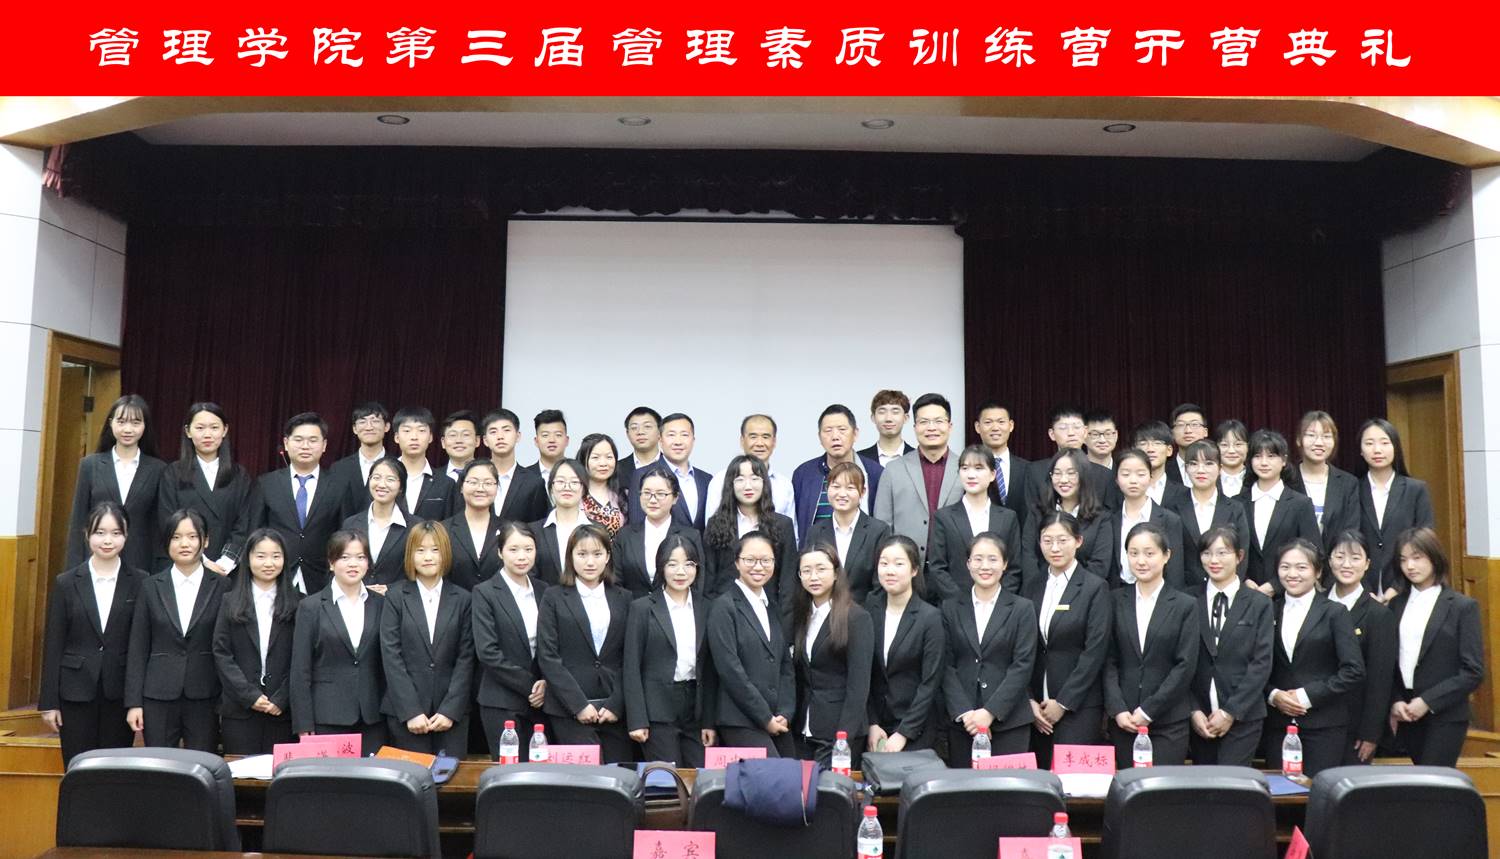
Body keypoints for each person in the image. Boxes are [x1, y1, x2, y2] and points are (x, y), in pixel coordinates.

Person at [39, 502, 148, 765]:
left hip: (119, 692)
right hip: (74, 691)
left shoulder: (141, 581)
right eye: (100, 532)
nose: (107, 540)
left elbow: (140, 645)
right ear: (87, 534)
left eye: (116, 533)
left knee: (113, 768)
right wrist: (49, 702)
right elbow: (54, 643)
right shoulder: (66, 582)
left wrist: (136, 701)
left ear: (126, 536)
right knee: (78, 767)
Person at [125, 509, 228, 751]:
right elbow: (138, 647)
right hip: (158, 694)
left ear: (205, 541)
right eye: (176, 537)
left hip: (205, 694)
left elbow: (227, 645)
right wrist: (134, 703)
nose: (184, 544)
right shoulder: (150, 586)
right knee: (159, 765)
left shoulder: (222, 586)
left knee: (202, 764)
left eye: (192, 536)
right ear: (167, 542)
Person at [1263, 539, 1365, 777]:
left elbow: (1353, 670)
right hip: (1277, 724)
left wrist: (1306, 696)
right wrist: (1273, 695)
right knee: (1281, 793)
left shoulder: (1335, 612)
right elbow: (1255, 664)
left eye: (1301, 567)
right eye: (1285, 567)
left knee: (1319, 792)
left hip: (1324, 725)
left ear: (1318, 571)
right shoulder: (1267, 609)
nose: (1292, 574)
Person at [1103, 522, 1198, 767]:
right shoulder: (1115, 600)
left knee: (1164, 789)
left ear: (1166, 556)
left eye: (1149, 553)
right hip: (1124, 720)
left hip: (1168, 721)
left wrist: (1149, 711)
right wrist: (1117, 708)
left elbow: (1185, 665)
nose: (1141, 561)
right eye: (1133, 553)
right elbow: (1108, 659)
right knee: (1127, 788)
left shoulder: (1185, 605)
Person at [537, 522, 634, 762]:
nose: (590, 562)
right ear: (570, 557)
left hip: (613, 709)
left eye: (597, 554)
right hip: (568, 709)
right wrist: (578, 705)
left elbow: (630, 657)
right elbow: (548, 656)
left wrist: (617, 704)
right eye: (582, 554)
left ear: (607, 557)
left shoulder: (624, 598)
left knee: (619, 776)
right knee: (583, 779)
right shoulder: (553, 596)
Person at [1387, 528, 1483, 767]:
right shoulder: (1395, 605)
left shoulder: (1462, 607)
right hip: (1407, 712)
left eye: (1417, 557)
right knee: (1420, 781)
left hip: (1445, 713)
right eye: (1403, 559)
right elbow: (1388, 662)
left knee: (1435, 781)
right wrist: (1396, 700)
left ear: (1434, 557)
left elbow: (1473, 671)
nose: (1410, 566)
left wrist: (1427, 702)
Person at [1023, 512, 1112, 766]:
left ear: (1078, 541)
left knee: (1075, 783)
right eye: (1047, 540)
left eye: (1062, 540)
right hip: (1037, 709)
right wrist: (1029, 700)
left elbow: (1095, 651)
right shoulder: (1033, 585)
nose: (1055, 548)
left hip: (1079, 707)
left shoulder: (1094, 587)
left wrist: (1063, 703)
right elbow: (1024, 647)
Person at [380, 521, 475, 755]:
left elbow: (466, 658)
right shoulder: (396, 596)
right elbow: (391, 655)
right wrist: (411, 711)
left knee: (451, 775)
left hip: (451, 714)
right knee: (408, 776)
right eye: (420, 550)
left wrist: (450, 710)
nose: (428, 557)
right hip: (405, 713)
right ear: (410, 555)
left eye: (435, 549)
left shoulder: (463, 599)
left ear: (446, 553)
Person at [940, 532, 1036, 764]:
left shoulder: (1022, 608)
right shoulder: (950, 608)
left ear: (1005, 564)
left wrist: (990, 712)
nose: (985, 566)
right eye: (978, 559)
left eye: (993, 559)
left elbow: (1022, 665)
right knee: (964, 786)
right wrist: (966, 714)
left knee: (1007, 786)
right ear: (968, 564)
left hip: (1009, 722)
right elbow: (945, 664)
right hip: (964, 723)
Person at [289, 530, 387, 755]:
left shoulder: (380, 604)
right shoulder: (311, 607)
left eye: (360, 557)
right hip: (327, 715)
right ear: (331, 563)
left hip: (372, 716)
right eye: (345, 557)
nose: (353, 564)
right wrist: (303, 723)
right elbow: (300, 669)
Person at [624, 535, 717, 766]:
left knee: (700, 776)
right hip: (657, 710)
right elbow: (631, 666)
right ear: (661, 567)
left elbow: (710, 668)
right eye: (672, 564)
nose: (681, 572)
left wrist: (709, 721)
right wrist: (637, 720)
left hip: (695, 708)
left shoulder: (707, 607)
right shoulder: (642, 608)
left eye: (688, 564)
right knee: (667, 778)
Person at [1187, 527, 1274, 767]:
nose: (1213, 560)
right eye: (1207, 553)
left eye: (1222, 553)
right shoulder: (1187, 600)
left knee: (1233, 784)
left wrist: (1230, 712)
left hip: (1243, 716)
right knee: (1201, 787)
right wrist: (1193, 710)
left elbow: (1261, 662)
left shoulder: (1259, 603)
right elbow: (1180, 660)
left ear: (1239, 556)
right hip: (1200, 717)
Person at [706, 531, 797, 756]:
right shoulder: (723, 606)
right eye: (750, 560)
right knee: (772, 774)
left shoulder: (771, 606)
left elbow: (785, 665)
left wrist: (785, 711)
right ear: (737, 562)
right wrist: (764, 717)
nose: (758, 567)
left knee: (793, 773)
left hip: (777, 718)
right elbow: (730, 669)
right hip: (740, 719)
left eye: (766, 560)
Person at [212, 528, 300, 754]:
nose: (268, 563)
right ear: (248, 559)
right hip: (239, 710)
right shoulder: (229, 601)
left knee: (281, 773)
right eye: (261, 556)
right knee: (242, 771)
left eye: (276, 556)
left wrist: (282, 698)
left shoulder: (299, 604)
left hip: (282, 712)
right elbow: (222, 653)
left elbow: (302, 658)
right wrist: (249, 695)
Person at [471, 521, 550, 760]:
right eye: (513, 549)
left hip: (542, 701)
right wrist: (531, 686)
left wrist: (546, 683)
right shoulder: (485, 592)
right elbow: (488, 652)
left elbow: (552, 645)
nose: (521, 556)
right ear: (500, 552)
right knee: (509, 773)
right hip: (501, 700)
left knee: (540, 772)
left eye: (528, 549)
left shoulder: (544, 590)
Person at [789, 544, 873, 766]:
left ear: (836, 573)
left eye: (821, 569)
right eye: (806, 571)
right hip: (803, 729)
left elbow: (858, 686)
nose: (813, 577)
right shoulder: (800, 616)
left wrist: (843, 738)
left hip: (838, 732)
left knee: (829, 788)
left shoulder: (856, 618)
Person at [252, 412, 352, 595]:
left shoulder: (339, 485)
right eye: (298, 440)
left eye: (313, 440)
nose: (305, 446)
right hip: (276, 576)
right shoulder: (267, 483)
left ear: (324, 445)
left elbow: (345, 534)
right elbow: (256, 531)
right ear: (286, 443)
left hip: (322, 578)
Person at [66, 394, 165, 575]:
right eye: (121, 422)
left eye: (135, 423)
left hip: (140, 563)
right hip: (96, 560)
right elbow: (78, 519)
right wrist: (74, 570)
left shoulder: (158, 469)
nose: (128, 429)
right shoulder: (90, 465)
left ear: (145, 426)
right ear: (111, 423)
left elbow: (158, 525)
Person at [866, 535, 945, 754]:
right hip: (875, 728)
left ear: (914, 570)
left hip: (916, 729)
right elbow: (863, 673)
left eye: (899, 564)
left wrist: (904, 732)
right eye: (884, 563)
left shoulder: (930, 617)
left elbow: (930, 682)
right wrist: (872, 722)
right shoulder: (869, 609)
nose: (890, 571)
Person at [1325, 529, 1397, 765]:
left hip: (1354, 727)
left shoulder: (1378, 615)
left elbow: (1380, 679)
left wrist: (1370, 733)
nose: (1346, 564)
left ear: (1367, 564)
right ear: (1329, 560)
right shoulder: (1316, 603)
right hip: (1314, 721)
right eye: (1339, 556)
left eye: (1355, 558)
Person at [157, 402, 253, 575]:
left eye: (214, 427)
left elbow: (244, 524)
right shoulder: (173, 473)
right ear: (188, 431)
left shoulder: (239, 475)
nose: (207, 434)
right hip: (185, 565)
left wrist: (225, 562)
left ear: (224, 430)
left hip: (228, 570)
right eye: (200, 428)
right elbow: (167, 521)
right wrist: (203, 561)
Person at [927, 445, 1023, 602]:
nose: (971, 475)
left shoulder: (1008, 517)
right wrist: (962, 602)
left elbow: (1014, 568)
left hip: (999, 606)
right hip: (955, 606)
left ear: (992, 474)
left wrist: (998, 601)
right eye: (965, 468)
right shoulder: (943, 517)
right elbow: (937, 568)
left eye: (979, 468)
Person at [874, 393, 962, 561]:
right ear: (915, 427)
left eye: (938, 421)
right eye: (924, 422)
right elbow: (882, 526)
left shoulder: (964, 469)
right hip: (906, 567)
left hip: (953, 567)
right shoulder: (893, 470)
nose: (931, 428)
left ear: (950, 426)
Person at [1356, 418, 1436, 602]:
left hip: (1407, 587)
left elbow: (1425, 541)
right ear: (1360, 450)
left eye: (1384, 443)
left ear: (1395, 447)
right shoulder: (1352, 489)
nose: (1377, 450)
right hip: (1362, 590)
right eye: (1369, 443)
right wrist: (1365, 590)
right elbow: (1350, 539)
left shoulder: (1416, 489)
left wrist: (1396, 588)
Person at [702, 455, 798, 604]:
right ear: (730, 485)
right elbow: (708, 578)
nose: (748, 486)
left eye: (754, 478)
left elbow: (788, 581)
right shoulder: (715, 524)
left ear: (764, 483)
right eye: (740, 479)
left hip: (769, 608)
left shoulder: (783, 525)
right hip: (727, 608)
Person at [1240, 429, 1321, 595]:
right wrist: (1244, 579)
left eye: (1271, 456)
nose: (1264, 462)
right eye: (1257, 456)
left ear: (1283, 460)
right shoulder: (1237, 503)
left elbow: (1313, 552)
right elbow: (1231, 548)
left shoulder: (1300, 504)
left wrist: (1276, 585)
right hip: (1245, 593)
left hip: (1289, 593)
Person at [1019, 449, 1113, 589]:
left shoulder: (1100, 518)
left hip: (1084, 594)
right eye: (1057, 473)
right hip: (1041, 591)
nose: (1063, 480)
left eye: (1071, 473)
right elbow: (1029, 557)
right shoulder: (1037, 513)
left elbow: (1100, 565)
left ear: (1084, 476)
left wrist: (1069, 591)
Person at [799, 462, 891, 604]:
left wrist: (862, 614)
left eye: (850, 488)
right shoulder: (816, 531)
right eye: (836, 487)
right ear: (827, 489)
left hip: (865, 611)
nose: (842, 494)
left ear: (862, 492)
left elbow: (880, 583)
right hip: (825, 611)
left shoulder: (878, 531)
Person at [791, 405, 883, 539]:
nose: (835, 436)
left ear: (855, 434)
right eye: (828, 431)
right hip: (815, 550)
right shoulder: (804, 474)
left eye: (842, 430)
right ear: (819, 437)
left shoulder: (875, 473)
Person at [613, 465, 705, 598]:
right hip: (631, 608)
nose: (652, 500)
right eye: (647, 493)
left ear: (675, 498)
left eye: (661, 494)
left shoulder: (691, 536)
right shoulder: (625, 536)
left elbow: (698, 583)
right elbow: (616, 582)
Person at [1168, 441, 1251, 588]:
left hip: (1225, 591)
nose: (1201, 470)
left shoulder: (1235, 508)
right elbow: (1171, 558)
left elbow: (1241, 554)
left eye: (1208, 464)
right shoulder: (1172, 507)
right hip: (1185, 592)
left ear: (1220, 468)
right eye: (1193, 464)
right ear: (1186, 469)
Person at [1109, 450, 1188, 591]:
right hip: (1118, 594)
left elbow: (1175, 572)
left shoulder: (1170, 520)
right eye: (1126, 474)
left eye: (1141, 474)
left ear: (1150, 478)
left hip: (1158, 593)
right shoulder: (1110, 520)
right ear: (1116, 479)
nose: (1133, 481)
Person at [703, 414, 798, 533]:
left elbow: (791, 534)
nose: (759, 443)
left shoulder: (784, 485)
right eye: (753, 436)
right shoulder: (720, 480)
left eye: (766, 437)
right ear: (742, 441)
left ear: (774, 442)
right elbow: (712, 530)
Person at [1027, 404, 1122, 512]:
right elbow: (1030, 513)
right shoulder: (1036, 471)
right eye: (1063, 428)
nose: (1071, 433)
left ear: (1085, 432)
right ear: (1052, 434)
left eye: (1076, 427)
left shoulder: (1104, 475)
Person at [1286, 411, 1362, 548]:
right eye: (1311, 435)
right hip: (1296, 558)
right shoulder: (1286, 480)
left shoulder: (1348, 483)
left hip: (1336, 558)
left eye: (1326, 436)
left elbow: (1351, 530)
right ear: (1298, 440)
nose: (1319, 443)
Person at [628, 413, 713, 530]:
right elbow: (637, 527)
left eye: (684, 435)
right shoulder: (642, 475)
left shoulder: (706, 479)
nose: (678, 441)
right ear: (660, 440)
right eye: (671, 435)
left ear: (693, 440)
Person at [341, 457, 409, 590]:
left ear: (401, 487)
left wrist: (391, 590)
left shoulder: (413, 526)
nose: (382, 484)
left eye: (390, 479)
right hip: (358, 598)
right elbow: (341, 565)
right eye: (376, 477)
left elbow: (417, 574)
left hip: (397, 600)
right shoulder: (350, 524)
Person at [482, 408, 551, 526]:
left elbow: (538, 527)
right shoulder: (473, 479)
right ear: (485, 440)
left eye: (506, 430)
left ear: (518, 436)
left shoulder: (533, 482)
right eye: (493, 431)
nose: (500, 436)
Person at [444, 460, 504, 590]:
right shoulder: (443, 530)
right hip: (455, 602)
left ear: (496, 487)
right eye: (473, 482)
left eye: (488, 483)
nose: (480, 489)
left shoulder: (507, 530)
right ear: (461, 487)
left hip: (498, 602)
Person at [532, 459, 592, 585]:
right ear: (551, 487)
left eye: (574, 482)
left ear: (584, 488)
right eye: (560, 481)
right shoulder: (534, 531)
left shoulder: (597, 530)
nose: (567, 487)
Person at [974, 401, 1032, 529]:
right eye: (988, 422)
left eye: (1001, 422)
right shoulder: (969, 470)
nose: (995, 428)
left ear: (1011, 426)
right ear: (978, 427)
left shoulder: (1028, 469)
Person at [330, 401, 390, 513]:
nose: (369, 427)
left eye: (375, 421)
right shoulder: (338, 469)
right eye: (362, 421)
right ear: (354, 429)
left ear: (387, 426)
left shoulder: (397, 466)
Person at [1132, 421, 1191, 510]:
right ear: (1134, 450)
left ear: (1169, 450)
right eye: (1143, 443)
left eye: (1157, 443)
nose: (1150, 449)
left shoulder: (1185, 493)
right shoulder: (1123, 490)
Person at [578, 433, 628, 535]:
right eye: (595, 457)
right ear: (583, 461)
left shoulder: (623, 495)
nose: (603, 463)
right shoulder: (574, 494)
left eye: (609, 457)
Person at [858, 389, 914, 467]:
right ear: (873, 418)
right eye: (882, 412)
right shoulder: (859, 459)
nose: (888, 418)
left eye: (895, 412)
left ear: (906, 418)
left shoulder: (918, 458)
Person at [616, 406, 664, 490]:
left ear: (660, 431)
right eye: (634, 428)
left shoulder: (674, 466)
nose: (640, 432)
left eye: (647, 426)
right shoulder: (616, 470)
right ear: (627, 434)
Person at [1166, 404, 1210, 486]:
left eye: (1194, 424)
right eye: (1181, 425)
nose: (1188, 430)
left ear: (1205, 432)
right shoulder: (1163, 471)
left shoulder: (1217, 468)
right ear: (1172, 433)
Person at [525, 409, 569, 485]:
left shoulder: (580, 473)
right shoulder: (524, 476)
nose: (552, 440)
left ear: (567, 440)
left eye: (558, 435)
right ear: (536, 441)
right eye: (545, 435)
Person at [438, 410, 481, 484]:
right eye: (452, 435)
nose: (459, 440)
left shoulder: (489, 474)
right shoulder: (433, 477)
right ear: (443, 442)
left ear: (477, 441)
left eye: (466, 435)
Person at [1215, 420, 1251, 499]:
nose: (1231, 451)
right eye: (1224, 445)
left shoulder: (1256, 479)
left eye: (1238, 444)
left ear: (1247, 447)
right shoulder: (1209, 478)